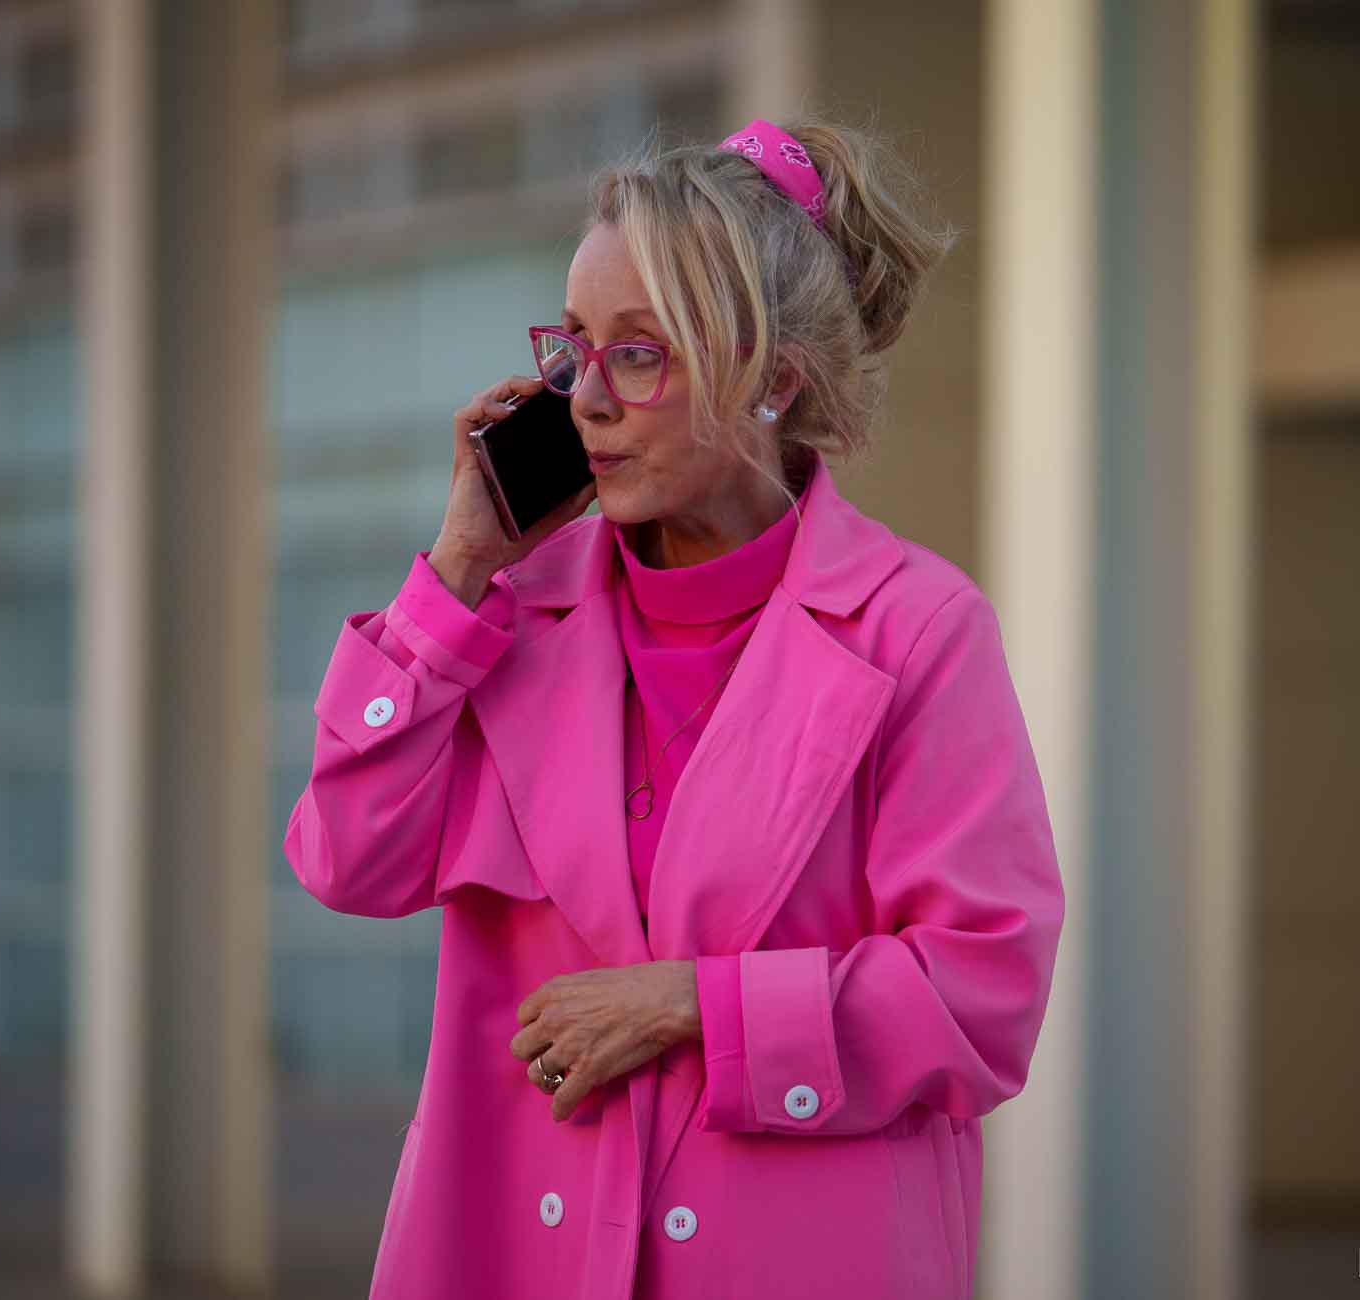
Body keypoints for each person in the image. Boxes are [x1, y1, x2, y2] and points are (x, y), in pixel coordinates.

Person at [283, 115, 1065, 1300]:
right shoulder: (507, 615)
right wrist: (452, 572)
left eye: (640, 354)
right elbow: (348, 859)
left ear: (773, 378)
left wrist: (688, 1006)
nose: (587, 398)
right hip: (512, 1256)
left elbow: (983, 990)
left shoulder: (918, 628)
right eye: (574, 347)